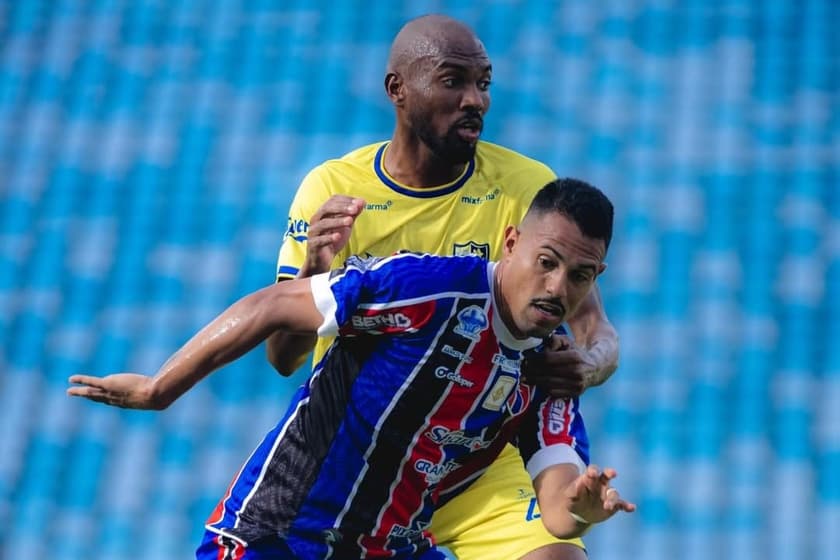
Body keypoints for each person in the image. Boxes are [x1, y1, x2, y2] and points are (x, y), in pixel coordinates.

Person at [68, 179, 635, 559]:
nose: (558, 287)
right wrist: (159, 388)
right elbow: (271, 305)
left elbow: (559, 511)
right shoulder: (424, 288)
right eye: (546, 263)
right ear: (511, 243)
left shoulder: (551, 370)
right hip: (278, 536)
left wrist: (584, 510)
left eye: (580, 275)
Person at [266, 14, 620, 560]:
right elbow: (281, 356)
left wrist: (588, 365)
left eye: (483, 83)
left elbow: (594, 328)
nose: (475, 99)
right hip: (361, 456)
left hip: (478, 458)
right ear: (397, 90)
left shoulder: (527, 188)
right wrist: (315, 264)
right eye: (454, 81)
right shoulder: (333, 189)